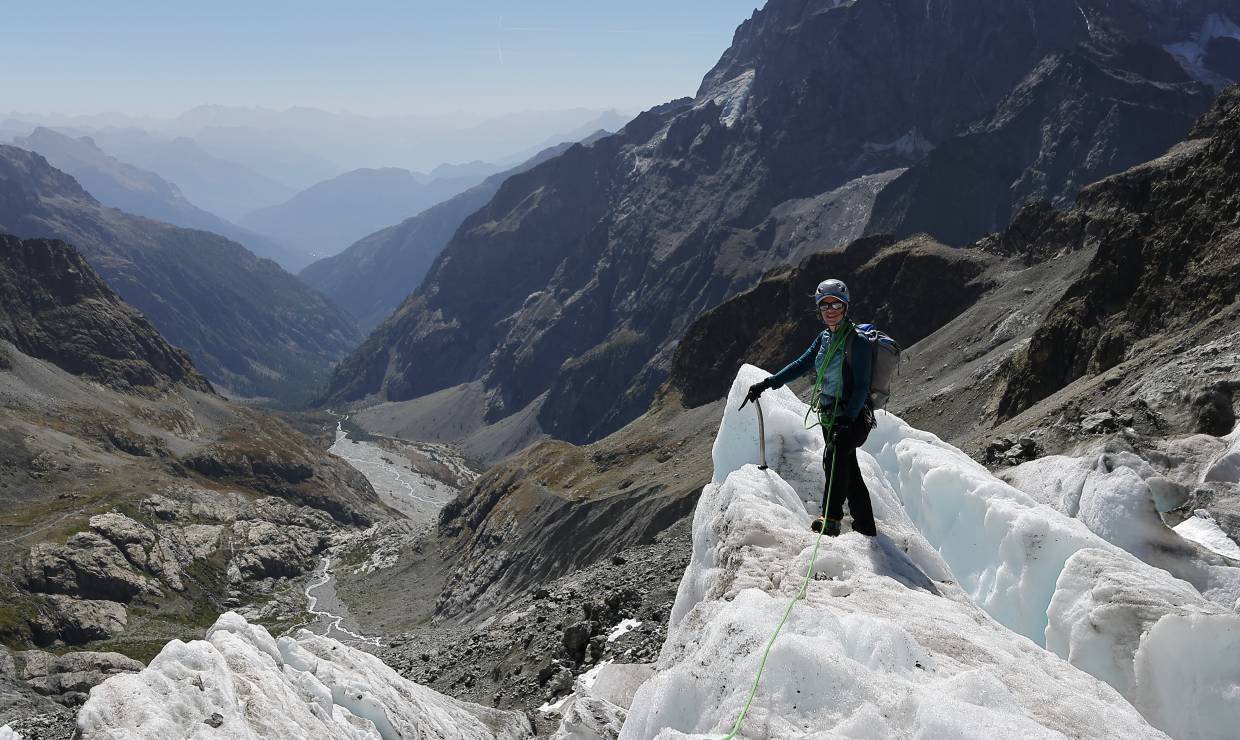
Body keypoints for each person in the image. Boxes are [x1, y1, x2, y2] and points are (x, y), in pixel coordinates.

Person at [744, 278, 877, 537]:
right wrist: (768, 383)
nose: (830, 310)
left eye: (835, 304)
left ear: (845, 307)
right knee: (849, 472)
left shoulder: (856, 341)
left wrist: (847, 421)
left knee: (834, 457)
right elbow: (801, 364)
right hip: (830, 415)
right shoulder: (825, 338)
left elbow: (861, 386)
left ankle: (831, 519)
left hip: (854, 416)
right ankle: (866, 526)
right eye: (824, 305)